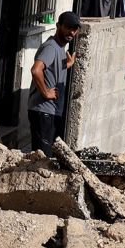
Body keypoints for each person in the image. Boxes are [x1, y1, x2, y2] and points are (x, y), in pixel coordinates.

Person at [27, 11, 81, 157]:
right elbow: (36, 70)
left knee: (48, 158)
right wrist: (45, 92)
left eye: (75, 29)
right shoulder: (51, 47)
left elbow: (52, 69)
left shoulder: (59, 48)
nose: (72, 32)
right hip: (43, 112)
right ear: (58, 26)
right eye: (68, 27)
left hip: (50, 113)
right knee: (42, 160)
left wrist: (67, 65)